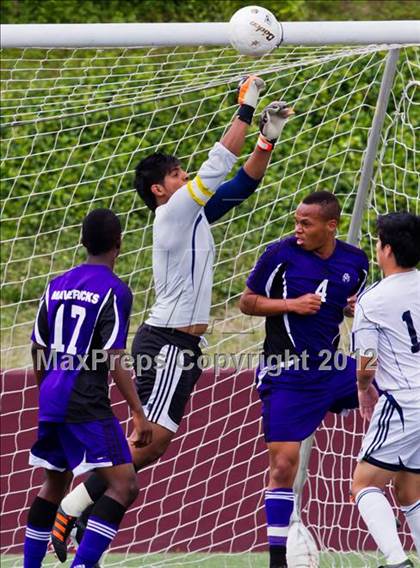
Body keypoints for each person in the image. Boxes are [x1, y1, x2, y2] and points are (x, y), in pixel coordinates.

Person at [51, 75, 295, 560]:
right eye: (180, 175)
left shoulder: (194, 214)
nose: (188, 179)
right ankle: (71, 505)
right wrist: (244, 108)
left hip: (178, 346)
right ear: (161, 189)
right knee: (146, 446)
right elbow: (220, 162)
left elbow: (245, 181)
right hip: (165, 343)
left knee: (148, 450)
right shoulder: (173, 212)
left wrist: (268, 137)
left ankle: (77, 519)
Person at [239, 191, 369, 568]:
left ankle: (382, 484)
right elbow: (246, 301)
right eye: (296, 221)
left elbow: (346, 298)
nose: (298, 229)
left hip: (331, 368)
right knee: (282, 468)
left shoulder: (355, 261)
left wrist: (350, 307)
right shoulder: (280, 255)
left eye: (306, 223)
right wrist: (290, 305)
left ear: (331, 226)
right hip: (287, 373)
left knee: (389, 386)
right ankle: (278, 560)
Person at [24, 209, 152, 568]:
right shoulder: (115, 290)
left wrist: (45, 388)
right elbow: (114, 356)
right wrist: (138, 413)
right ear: (119, 243)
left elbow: (38, 347)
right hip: (84, 399)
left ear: (82, 242)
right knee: (124, 485)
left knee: (55, 483)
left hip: (52, 394)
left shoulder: (56, 283)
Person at [351, 212, 420, 568]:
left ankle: (396, 562)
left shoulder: (372, 300)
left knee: (363, 483)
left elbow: (367, 362)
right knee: (410, 490)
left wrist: (364, 389)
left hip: (405, 402)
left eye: (378, 242)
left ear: (387, 250)